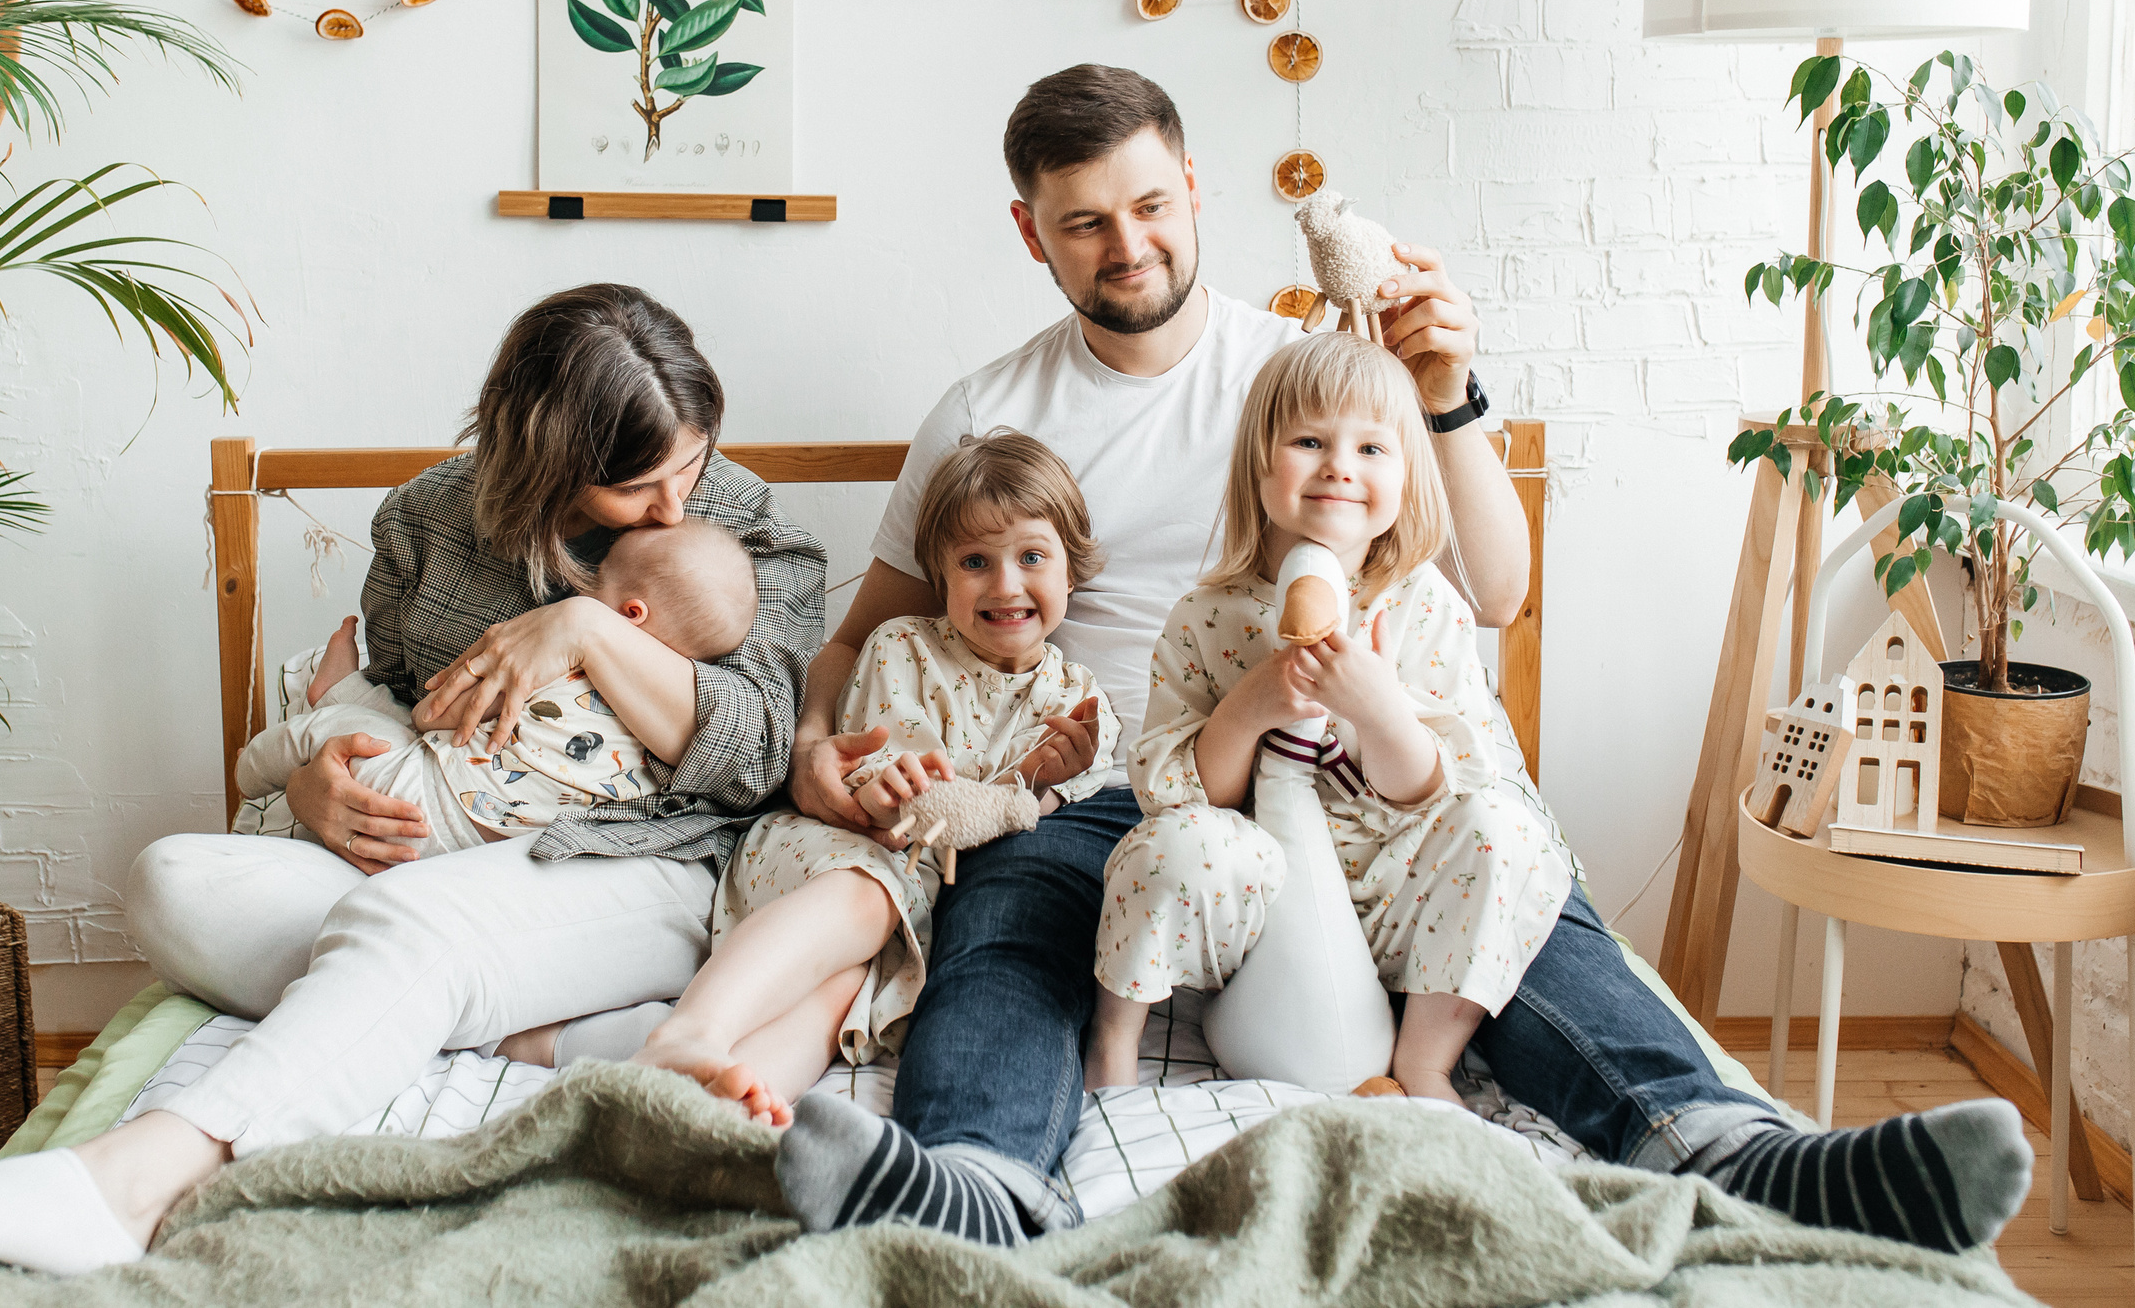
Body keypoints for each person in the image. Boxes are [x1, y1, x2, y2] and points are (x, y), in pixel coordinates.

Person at [773, 64, 2031, 1255]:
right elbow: (855, 634)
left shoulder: (1312, 376)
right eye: (1083, 221)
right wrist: (819, 746)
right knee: (1003, 916)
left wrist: (1447, 390)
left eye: (1150, 204)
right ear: (1029, 230)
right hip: (1103, 788)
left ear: (1195, 188)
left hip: (1362, 781)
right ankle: (975, 1182)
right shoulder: (987, 412)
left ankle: (1724, 1146)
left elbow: (1496, 589)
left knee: (1526, 882)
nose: (1127, 243)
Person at [0, 283, 827, 1276]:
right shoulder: (428, 520)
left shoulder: (740, 529)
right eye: (638, 485)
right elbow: (382, 699)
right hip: (419, 850)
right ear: (546, 454)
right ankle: (533, 1026)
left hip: (626, 863)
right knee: (170, 879)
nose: (673, 502)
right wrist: (310, 787)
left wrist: (587, 627)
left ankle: (127, 1183)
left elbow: (759, 757)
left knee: (413, 928)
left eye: (689, 461)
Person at [1085, 334, 1574, 1101]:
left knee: (1507, 830)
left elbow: (1432, 788)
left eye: (1372, 447)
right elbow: (1182, 792)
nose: (1340, 465)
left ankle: (1425, 1056)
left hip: (1395, 885)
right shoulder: (1205, 618)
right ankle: (1114, 1037)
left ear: (1407, 476)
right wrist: (1251, 706)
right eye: (1309, 440)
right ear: (1259, 462)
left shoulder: (1423, 604)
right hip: (1260, 899)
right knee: (1167, 843)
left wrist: (1379, 709)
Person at [632, 431, 1115, 1126]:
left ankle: (717, 1110)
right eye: (975, 561)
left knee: (841, 999)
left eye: (1032, 557)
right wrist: (902, 788)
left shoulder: (1077, 697)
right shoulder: (905, 646)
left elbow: (1029, 815)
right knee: (869, 899)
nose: (1006, 584)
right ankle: (689, 1031)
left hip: (911, 914)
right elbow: (912, 796)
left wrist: (1046, 780)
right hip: (841, 857)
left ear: (1072, 573)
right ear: (940, 577)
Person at [235, 519, 761, 858]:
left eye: (596, 581)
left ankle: (261, 762)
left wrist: (573, 625)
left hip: (424, 808)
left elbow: (432, 717)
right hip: (498, 844)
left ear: (631, 613)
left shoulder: (555, 669)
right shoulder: (656, 723)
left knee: (343, 730)